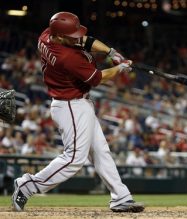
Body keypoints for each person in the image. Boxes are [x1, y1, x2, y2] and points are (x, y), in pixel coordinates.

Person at [11, 11, 144, 213]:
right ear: (61, 36)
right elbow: (97, 78)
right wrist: (120, 68)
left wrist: (111, 52)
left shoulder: (47, 34)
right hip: (70, 105)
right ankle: (28, 185)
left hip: (75, 104)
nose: (76, 38)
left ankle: (121, 197)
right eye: (71, 36)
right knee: (74, 158)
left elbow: (85, 40)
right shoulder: (66, 57)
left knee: (101, 151)